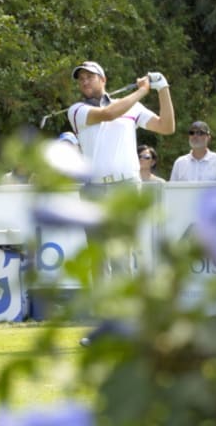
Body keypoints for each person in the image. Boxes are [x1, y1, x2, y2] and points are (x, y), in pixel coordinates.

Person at [67, 61, 175, 279]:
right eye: (81, 78)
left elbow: (166, 126)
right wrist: (143, 90)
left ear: (103, 79)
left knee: (121, 255)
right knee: (97, 257)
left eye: (90, 76)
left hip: (125, 187)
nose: (85, 81)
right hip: (94, 189)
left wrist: (163, 88)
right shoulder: (77, 110)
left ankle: (122, 312)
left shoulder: (131, 107)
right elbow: (108, 114)